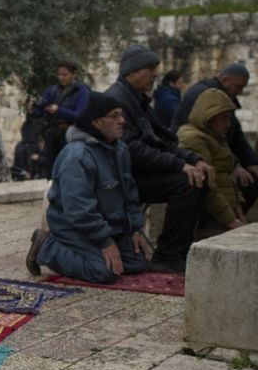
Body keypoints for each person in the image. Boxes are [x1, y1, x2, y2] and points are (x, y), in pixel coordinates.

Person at [103, 44, 211, 272]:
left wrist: (192, 159)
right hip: (122, 180)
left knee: (199, 176)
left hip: (137, 173)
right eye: (149, 68)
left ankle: (180, 250)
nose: (155, 74)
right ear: (131, 72)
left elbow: (161, 140)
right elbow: (132, 150)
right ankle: (168, 255)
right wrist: (181, 165)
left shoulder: (137, 99)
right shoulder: (118, 100)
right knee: (186, 184)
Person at [33, 93, 153, 283]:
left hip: (109, 227)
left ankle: (99, 247)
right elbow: (79, 209)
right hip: (74, 228)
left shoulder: (119, 149)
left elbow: (129, 194)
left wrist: (134, 228)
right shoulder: (77, 156)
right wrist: (104, 241)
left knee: (139, 263)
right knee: (104, 272)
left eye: (121, 115)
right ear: (96, 122)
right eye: (114, 116)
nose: (122, 120)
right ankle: (48, 246)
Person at [172, 63, 258, 212]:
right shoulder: (206, 95)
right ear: (226, 80)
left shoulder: (222, 96)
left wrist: (251, 162)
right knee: (244, 182)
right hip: (199, 155)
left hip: (213, 153)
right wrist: (234, 165)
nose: (240, 92)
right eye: (239, 86)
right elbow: (209, 137)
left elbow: (234, 134)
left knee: (255, 176)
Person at [177, 89, 248, 232]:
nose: (228, 124)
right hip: (209, 216)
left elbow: (226, 176)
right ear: (208, 117)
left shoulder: (215, 136)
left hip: (224, 211)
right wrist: (230, 220)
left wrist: (237, 206)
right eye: (223, 118)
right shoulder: (193, 138)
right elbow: (208, 184)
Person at [32, 60, 91, 170]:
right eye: (59, 74)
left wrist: (59, 110)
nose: (61, 78)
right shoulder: (53, 90)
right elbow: (41, 110)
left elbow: (80, 116)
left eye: (65, 75)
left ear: (74, 74)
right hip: (52, 133)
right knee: (52, 168)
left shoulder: (82, 91)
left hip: (71, 134)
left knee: (68, 167)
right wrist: (34, 109)